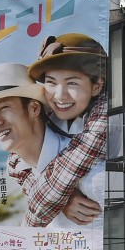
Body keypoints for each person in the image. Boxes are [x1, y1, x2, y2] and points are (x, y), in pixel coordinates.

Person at [0, 63, 99, 228]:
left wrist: (60, 198)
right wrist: (62, 198)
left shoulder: (89, 165)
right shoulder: (17, 166)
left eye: (5, 108)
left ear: (34, 108)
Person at [21, 33, 109, 230]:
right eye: (51, 82)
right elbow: (16, 162)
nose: (60, 95)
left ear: (97, 86)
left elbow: (71, 167)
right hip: (61, 246)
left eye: (72, 83)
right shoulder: (47, 114)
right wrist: (64, 199)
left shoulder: (107, 113)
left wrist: (56, 198)